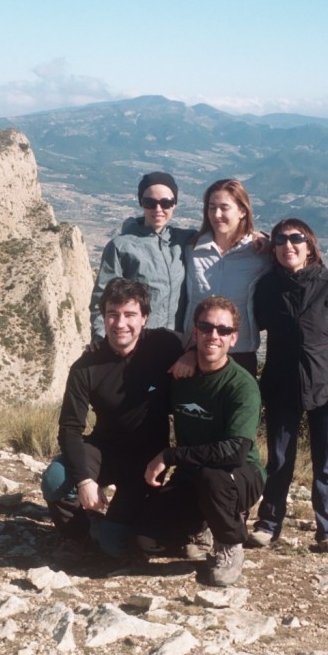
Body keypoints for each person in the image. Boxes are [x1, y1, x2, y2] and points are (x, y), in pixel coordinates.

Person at [41, 278, 184, 560]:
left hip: (147, 459)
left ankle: (112, 528)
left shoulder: (164, 344)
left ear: (144, 318)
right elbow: (70, 428)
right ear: (103, 318)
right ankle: (75, 535)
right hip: (104, 447)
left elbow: (202, 343)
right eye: (112, 315)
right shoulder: (86, 366)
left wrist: (189, 356)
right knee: (55, 479)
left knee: (114, 545)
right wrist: (84, 480)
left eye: (130, 315)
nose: (120, 323)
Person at [248, 218, 328, 553]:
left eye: (296, 239)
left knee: (326, 461)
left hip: (326, 385)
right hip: (281, 384)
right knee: (280, 461)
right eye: (281, 241)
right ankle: (268, 525)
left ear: (310, 245)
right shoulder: (268, 286)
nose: (289, 245)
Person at [138, 296, 265, 587]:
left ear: (233, 338)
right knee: (146, 540)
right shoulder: (181, 376)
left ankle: (229, 543)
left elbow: (235, 451)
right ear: (195, 333)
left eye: (223, 330)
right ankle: (203, 523)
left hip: (239, 475)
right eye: (206, 327)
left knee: (214, 477)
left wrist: (169, 456)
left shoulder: (241, 385)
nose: (214, 335)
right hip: (193, 476)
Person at [174, 179, 271, 377]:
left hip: (241, 351)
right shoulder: (192, 248)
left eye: (224, 208)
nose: (216, 215)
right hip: (196, 351)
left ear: (242, 211)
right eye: (212, 208)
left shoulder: (259, 255)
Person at [88, 172, 195, 343]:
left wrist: (252, 237)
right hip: (137, 344)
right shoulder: (121, 246)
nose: (158, 209)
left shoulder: (185, 240)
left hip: (177, 344)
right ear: (141, 204)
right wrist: (101, 338)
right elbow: (103, 296)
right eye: (150, 203)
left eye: (166, 203)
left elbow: (221, 235)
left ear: (174, 204)